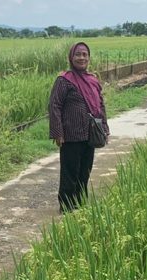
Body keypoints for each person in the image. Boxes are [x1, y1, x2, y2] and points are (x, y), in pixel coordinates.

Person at [48, 42, 110, 213]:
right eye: (78, 54)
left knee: (85, 171)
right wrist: (58, 132)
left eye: (85, 54)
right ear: (71, 57)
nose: (81, 58)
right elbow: (54, 106)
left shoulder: (93, 80)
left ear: (88, 58)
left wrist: (105, 128)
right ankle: (66, 206)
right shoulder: (64, 80)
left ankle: (80, 203)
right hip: (71, 135)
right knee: (70, 172)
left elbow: (100, 106)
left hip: (90, 134)